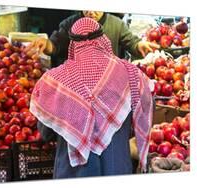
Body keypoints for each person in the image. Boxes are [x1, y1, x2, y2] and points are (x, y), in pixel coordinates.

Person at [29, 17, 154, 178]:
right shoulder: (131, 74)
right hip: (117, 168)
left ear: (72, 44)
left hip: (72, 172)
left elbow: (45, 133)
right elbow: (145, 112)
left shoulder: (54, 81)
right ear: (103, 39)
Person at [25, 11, 160, 67]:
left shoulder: (116, 24)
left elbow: (131, 42)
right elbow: (56, 44)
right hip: (78, 84)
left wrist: (139, 46)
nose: (90, 12)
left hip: (109, 83)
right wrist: (47, 45)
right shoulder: (70, 23)